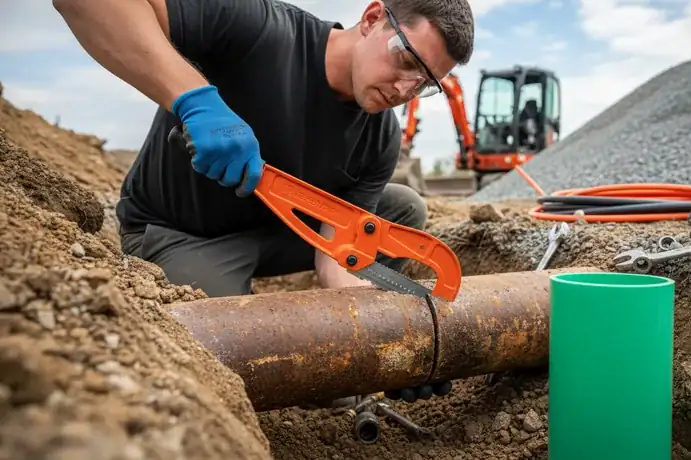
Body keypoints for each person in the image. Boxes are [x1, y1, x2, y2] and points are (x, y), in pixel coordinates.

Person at [54, 0, 475, 405]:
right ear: (371, 19)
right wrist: (195, 100)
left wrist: (388, 342)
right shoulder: (260, 29)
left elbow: (337, 258)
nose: (406, 89)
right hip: (183, 234)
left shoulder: (380, 137)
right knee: (230, 356)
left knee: (401, 208)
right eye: (406, 60)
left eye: (425, 84)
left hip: (276, 230)